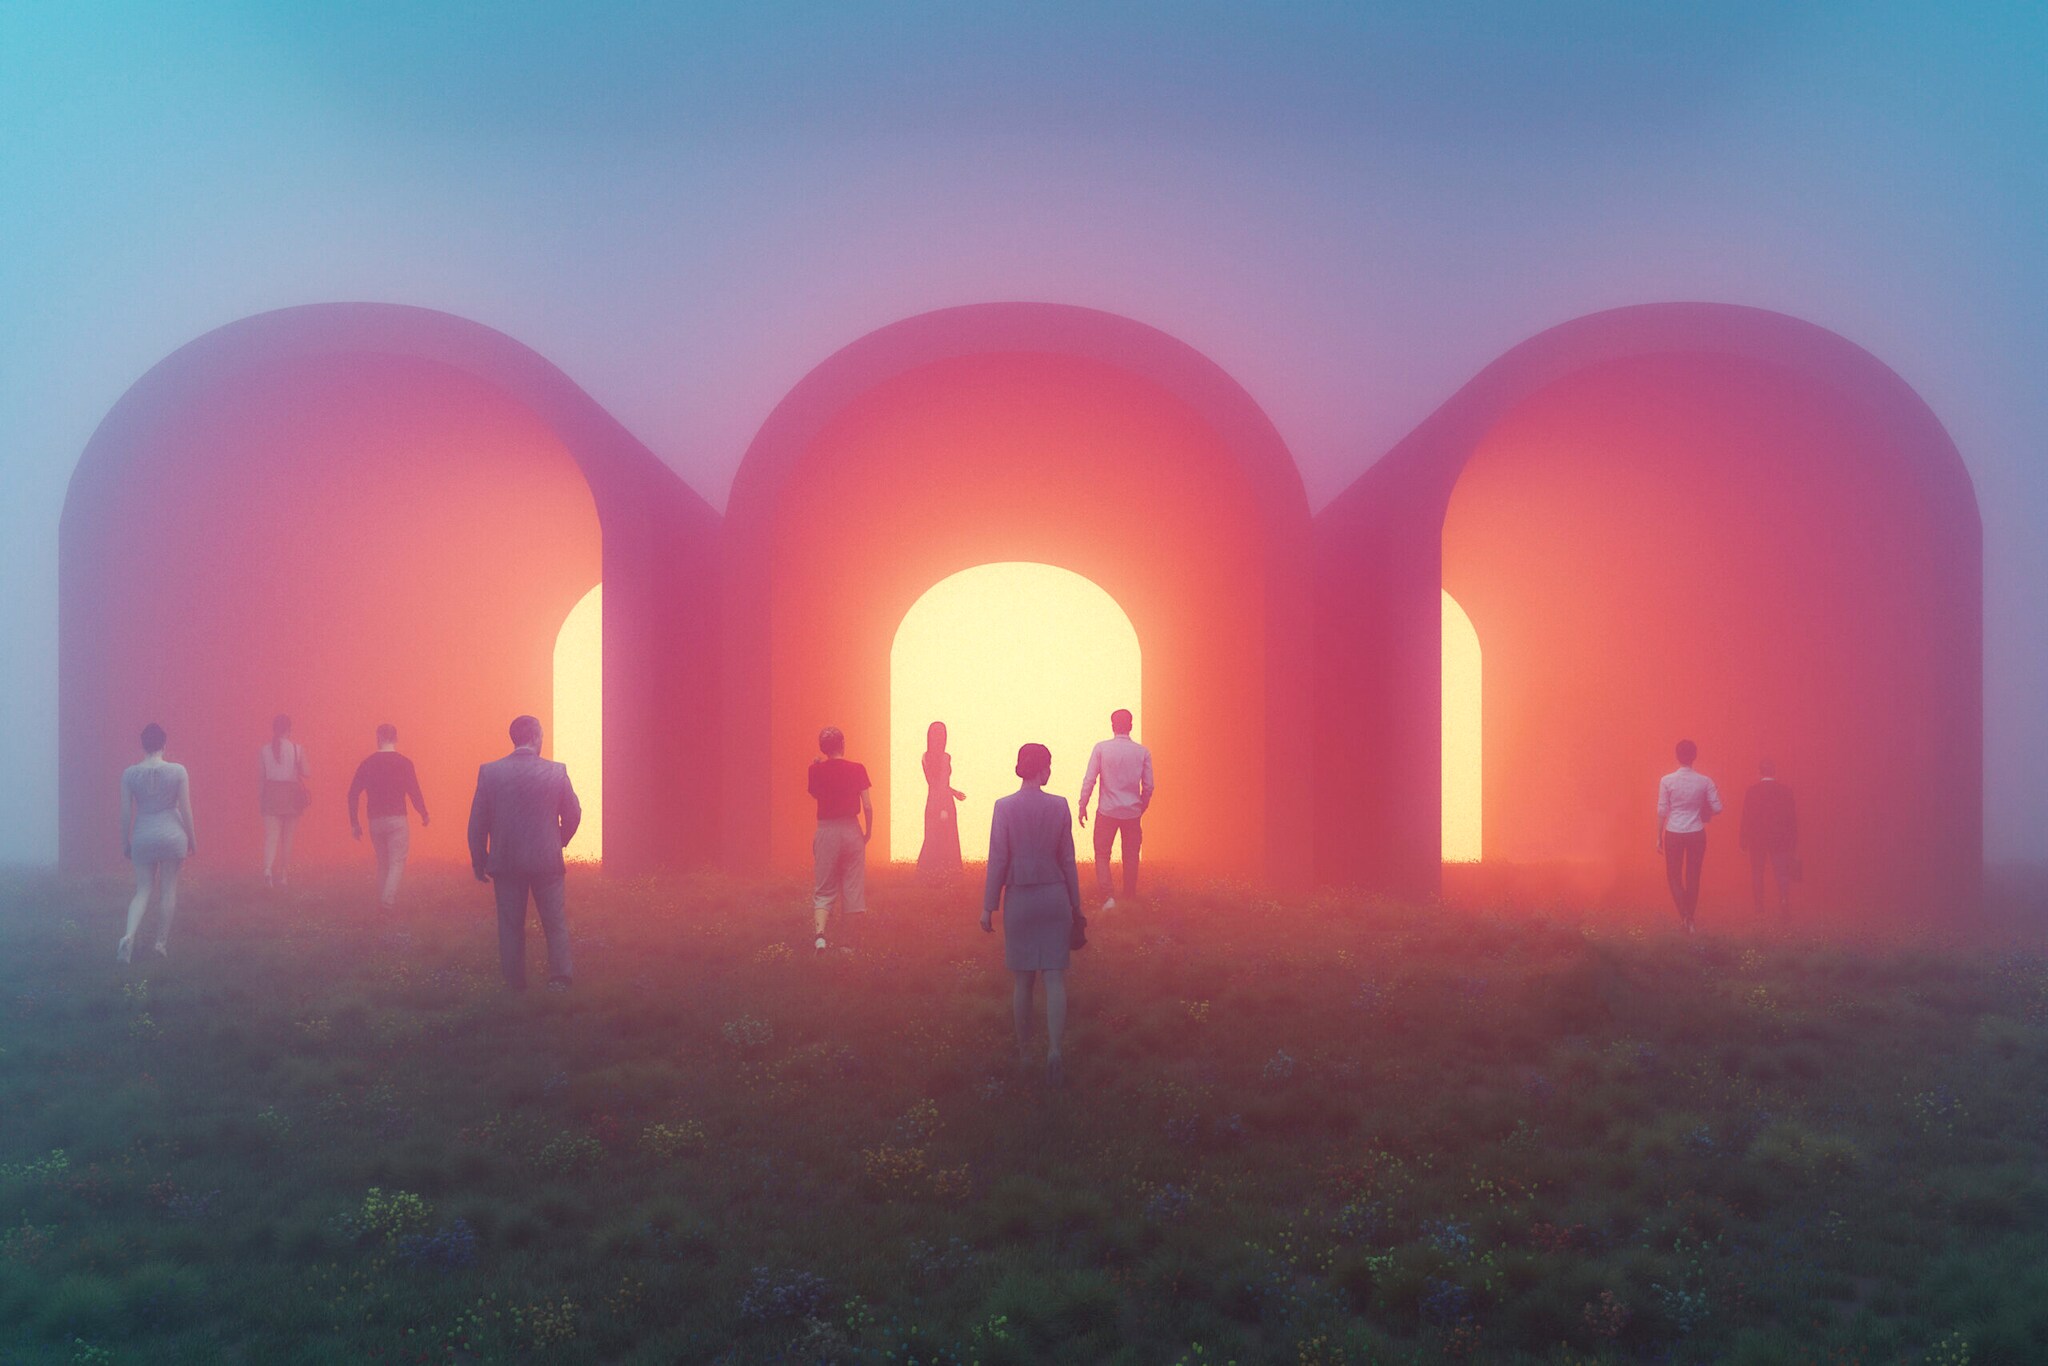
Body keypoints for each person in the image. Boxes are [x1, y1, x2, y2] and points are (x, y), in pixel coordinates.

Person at [984, 742, 1083, 1086]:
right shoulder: (1059, 806)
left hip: (1020, 899)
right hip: (1054, 895)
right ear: (1042, 769)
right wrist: (1076, 904)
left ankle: (1025, 1053)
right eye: (1050, 765)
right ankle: (1055, 1050)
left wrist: (988, 907)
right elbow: (1068, 859)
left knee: (1022, 981)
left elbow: (998, 858)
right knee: (1055, 978)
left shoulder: (1004, 807)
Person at [466, 715, 581, 990]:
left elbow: (477, 822)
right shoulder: (557, 771)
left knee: (510, 925)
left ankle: (515, 983)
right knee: (554, 921)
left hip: (506, 860)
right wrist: (559, 841)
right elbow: (574, 814)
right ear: (536, 737)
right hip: (547, 860)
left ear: (514, 738)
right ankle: (560, 978)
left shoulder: (490, 772)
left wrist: (479, 860)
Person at [118, 723, 195, 963]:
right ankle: (160, 944)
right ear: (164, 744)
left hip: (143, 835)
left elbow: (125, 813)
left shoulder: (129, 774)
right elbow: (186, 808)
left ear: (142, 745)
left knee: (142, 890)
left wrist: (125, 843)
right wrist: (193, 839)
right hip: (173, 835)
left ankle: (128, 936)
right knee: (168, 889)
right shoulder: (178, 771)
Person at [347, 724, 430, 913]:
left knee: (383, 862)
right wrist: (423, 813)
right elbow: (414, 791)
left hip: (375, 821)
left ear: (378, 738)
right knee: (396, 862)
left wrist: (354, 823)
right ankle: (387, 901)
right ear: (396, 738)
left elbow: (352, 793)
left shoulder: (367, 763)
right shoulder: (404, 763)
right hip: (397, 819)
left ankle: (381, 901)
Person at [1078, 708, 1154, 909]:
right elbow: (1148, 786)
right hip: (1132, 812)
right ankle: (1129, 896)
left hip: (1107, 811)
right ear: (1131, 725)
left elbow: (1090, 779)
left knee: (1102, 854)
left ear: (1112, 726)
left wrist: (1082, 804)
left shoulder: (1101, 749)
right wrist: (1141, 806)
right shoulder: (1142, 752)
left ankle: (1108, 897)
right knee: (1131, 855)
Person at [807, 726, 872, 952]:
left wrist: (816, 766)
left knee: (824, 886)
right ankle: (848, 945)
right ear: (843, 744)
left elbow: (816, 793)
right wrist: (868, 832)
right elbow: (868, 806)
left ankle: (820, 937)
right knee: (852, 887)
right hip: (851, 829)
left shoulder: (814, 770)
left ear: (823, 748)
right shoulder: (858, 769)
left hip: (826, 830)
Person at [1656, 739, 1723, 933]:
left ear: (1677, 756)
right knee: (1693, 877)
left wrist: (1658, 837)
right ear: (1694, 756)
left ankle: (1685, 916)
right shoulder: (1705, 781)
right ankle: (1689, 918)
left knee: (1673, 876)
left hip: (1674, 832)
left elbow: (1662, 811)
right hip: (1696, 834)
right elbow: (1717, 808)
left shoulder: (1666, 780)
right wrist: (1705, 802)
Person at [1740, 758, 1799, 915]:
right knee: (1781, 873)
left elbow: (1746, 816)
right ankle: (1784, 902)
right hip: (1779, 838)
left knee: (1757, 874)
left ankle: (1759, 907)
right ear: (1775, 771)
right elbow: (1792, 818)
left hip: (1757, 839)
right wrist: (1793, 841)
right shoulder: (1785, 791)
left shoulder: (1752, 791)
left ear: (1759, 772)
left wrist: (1743, 840)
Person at [259, 713, 309, 888]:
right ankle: (284, 876)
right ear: (289, 729)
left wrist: (261, 800)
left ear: (274, 729)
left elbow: (261, 778)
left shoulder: (264, 750)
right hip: (291, 796)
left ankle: (267, 871)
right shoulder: (297, 748)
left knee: (271, 838)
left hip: (271, 795)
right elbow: (307, 772)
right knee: (287, 838)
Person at [918, 721, 966, 883]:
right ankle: (947, 873)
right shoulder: (944, 758)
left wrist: (954, 792)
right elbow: (939, 783)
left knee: (933, 835)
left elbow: (937, 783)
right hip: (942, 802)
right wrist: (946, 803)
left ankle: (928, 872)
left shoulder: (926, 757)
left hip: (933, 801)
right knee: (944, 836)